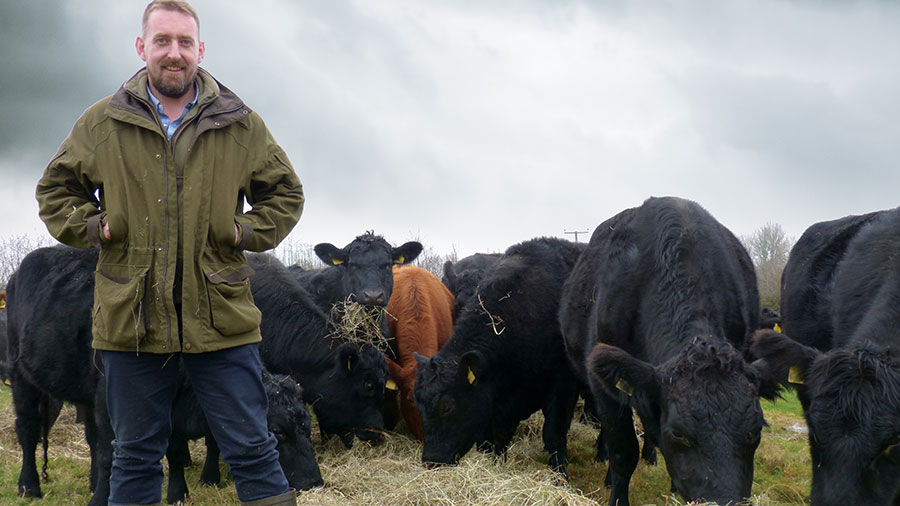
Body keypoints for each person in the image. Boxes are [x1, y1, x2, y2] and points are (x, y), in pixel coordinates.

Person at [35, 1, 303, 505]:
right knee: (133, 454)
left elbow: (286, 195)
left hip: (221, 317)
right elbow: (54, 191)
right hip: (130, 318)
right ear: (143, 47)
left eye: (184, 42)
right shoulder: (103, 122)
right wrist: (94, 226)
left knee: (252, 449)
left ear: (200, 49)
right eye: (162, 41)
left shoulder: (239, 124)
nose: (173, 53)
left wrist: (242, 231)